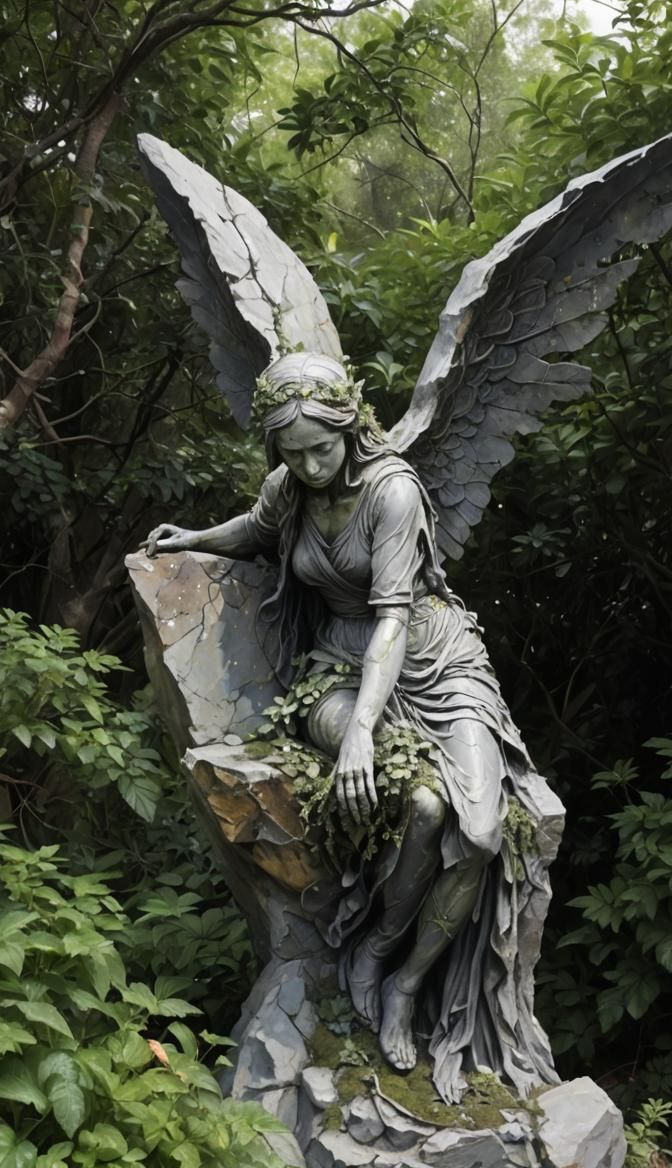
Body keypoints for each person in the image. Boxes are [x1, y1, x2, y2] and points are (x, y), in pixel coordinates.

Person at [145, 352, 558, 1104]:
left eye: (320, 449)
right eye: (292, 453)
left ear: (350, 428)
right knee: (426, 807)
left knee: (483, 831)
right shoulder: (289, 488)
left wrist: (365, 732)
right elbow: (257, 530)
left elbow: (394, 619)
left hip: (433, 663)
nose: (306, 465)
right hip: (336, 667)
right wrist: (192, 538)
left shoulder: (393, 492)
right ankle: (368, 954)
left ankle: (407, 981)